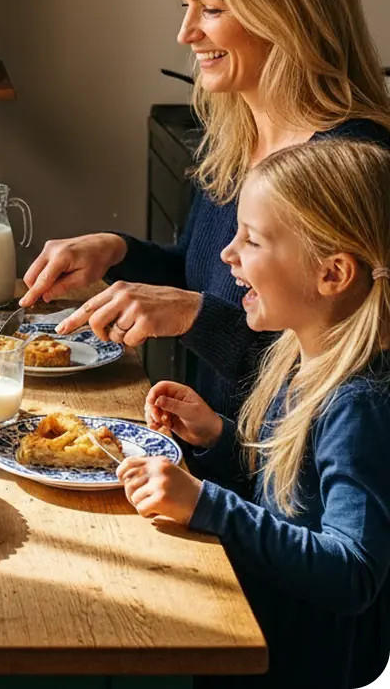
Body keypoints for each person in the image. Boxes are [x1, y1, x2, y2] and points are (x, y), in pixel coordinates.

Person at [21, 0, 390, 417]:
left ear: (286, 10)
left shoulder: (354, 163)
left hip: (278, 494)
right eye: (186, 5)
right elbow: (209, 278)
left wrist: (195, 317)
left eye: (212, 9)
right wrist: (116, 251)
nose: (186, 33)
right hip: (208, 459)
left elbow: (342, 379)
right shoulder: (234, 138)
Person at [117, 139, 390, 688]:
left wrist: (203, 503)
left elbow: (352, 571)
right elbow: (292, 499)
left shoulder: (357, 401)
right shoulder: (297, 355)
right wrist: (219, 438)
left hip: (300, 668)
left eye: (253, 240)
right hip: (256, 635)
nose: (227, 254)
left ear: (332, 274)